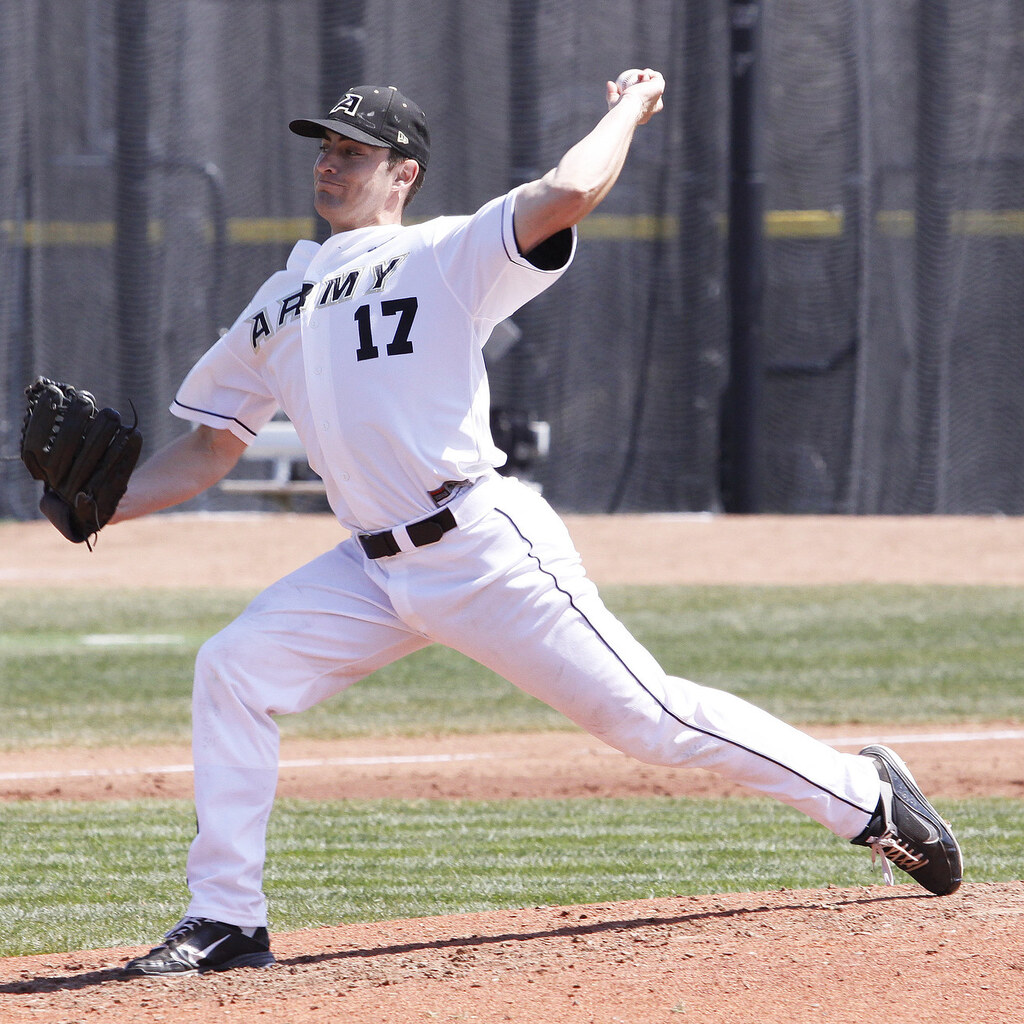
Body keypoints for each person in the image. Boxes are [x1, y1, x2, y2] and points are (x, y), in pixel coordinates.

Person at [116, 72, 961, 976]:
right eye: (325, 149)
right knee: (235, 667)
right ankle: (228, 919)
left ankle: (867, 798)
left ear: (403, 175)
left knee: (653, 720)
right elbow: (206, 451)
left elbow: (570, 193)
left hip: (479, 547)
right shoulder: (278, 301)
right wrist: (91, 508)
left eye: (353, 152)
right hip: (368, 570)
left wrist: (630, 107)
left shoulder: (446, 252)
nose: (330, 164)